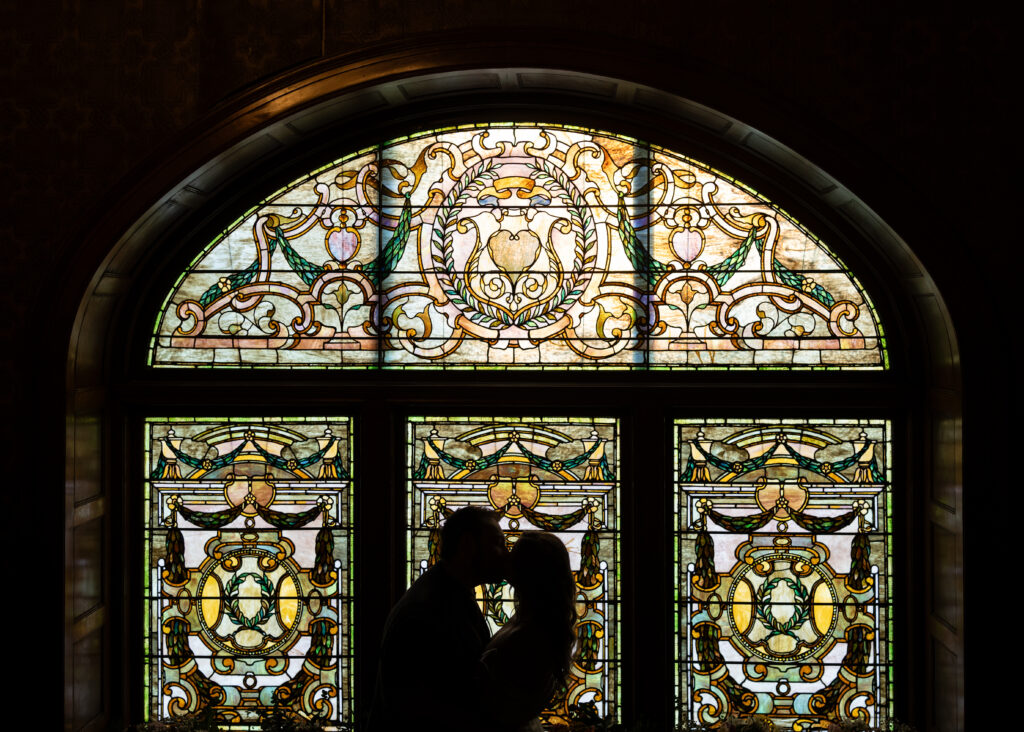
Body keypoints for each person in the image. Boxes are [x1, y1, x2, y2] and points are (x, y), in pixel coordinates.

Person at [367, 505, 508, 732]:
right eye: (498, 543)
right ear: (467, 546)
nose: (505, 554)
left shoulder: (446, 592)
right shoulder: (430, 609)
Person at [480, 531, 578, 732]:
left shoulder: (531, 636)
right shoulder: (530, 620)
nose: (505, 557)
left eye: (513, 554)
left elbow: (507, 709)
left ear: (529, 571)